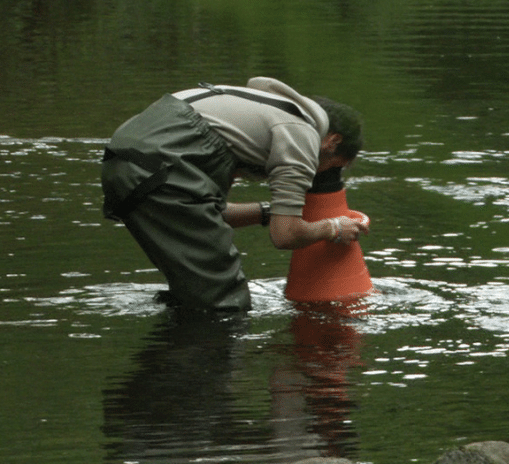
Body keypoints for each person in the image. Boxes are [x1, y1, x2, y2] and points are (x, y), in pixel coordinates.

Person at [101, 77, 368, 311]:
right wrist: (333, 227)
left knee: (195, 292)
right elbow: (285, 235)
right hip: (162, 168)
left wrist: (268, 213)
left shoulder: (251, 112)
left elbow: (210, 212)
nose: (319, 177)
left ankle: (178, 359)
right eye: (333, 168)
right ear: (332, 141)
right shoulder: (301, 134)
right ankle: (203, 364)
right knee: (225, 304)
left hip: (124, 162)